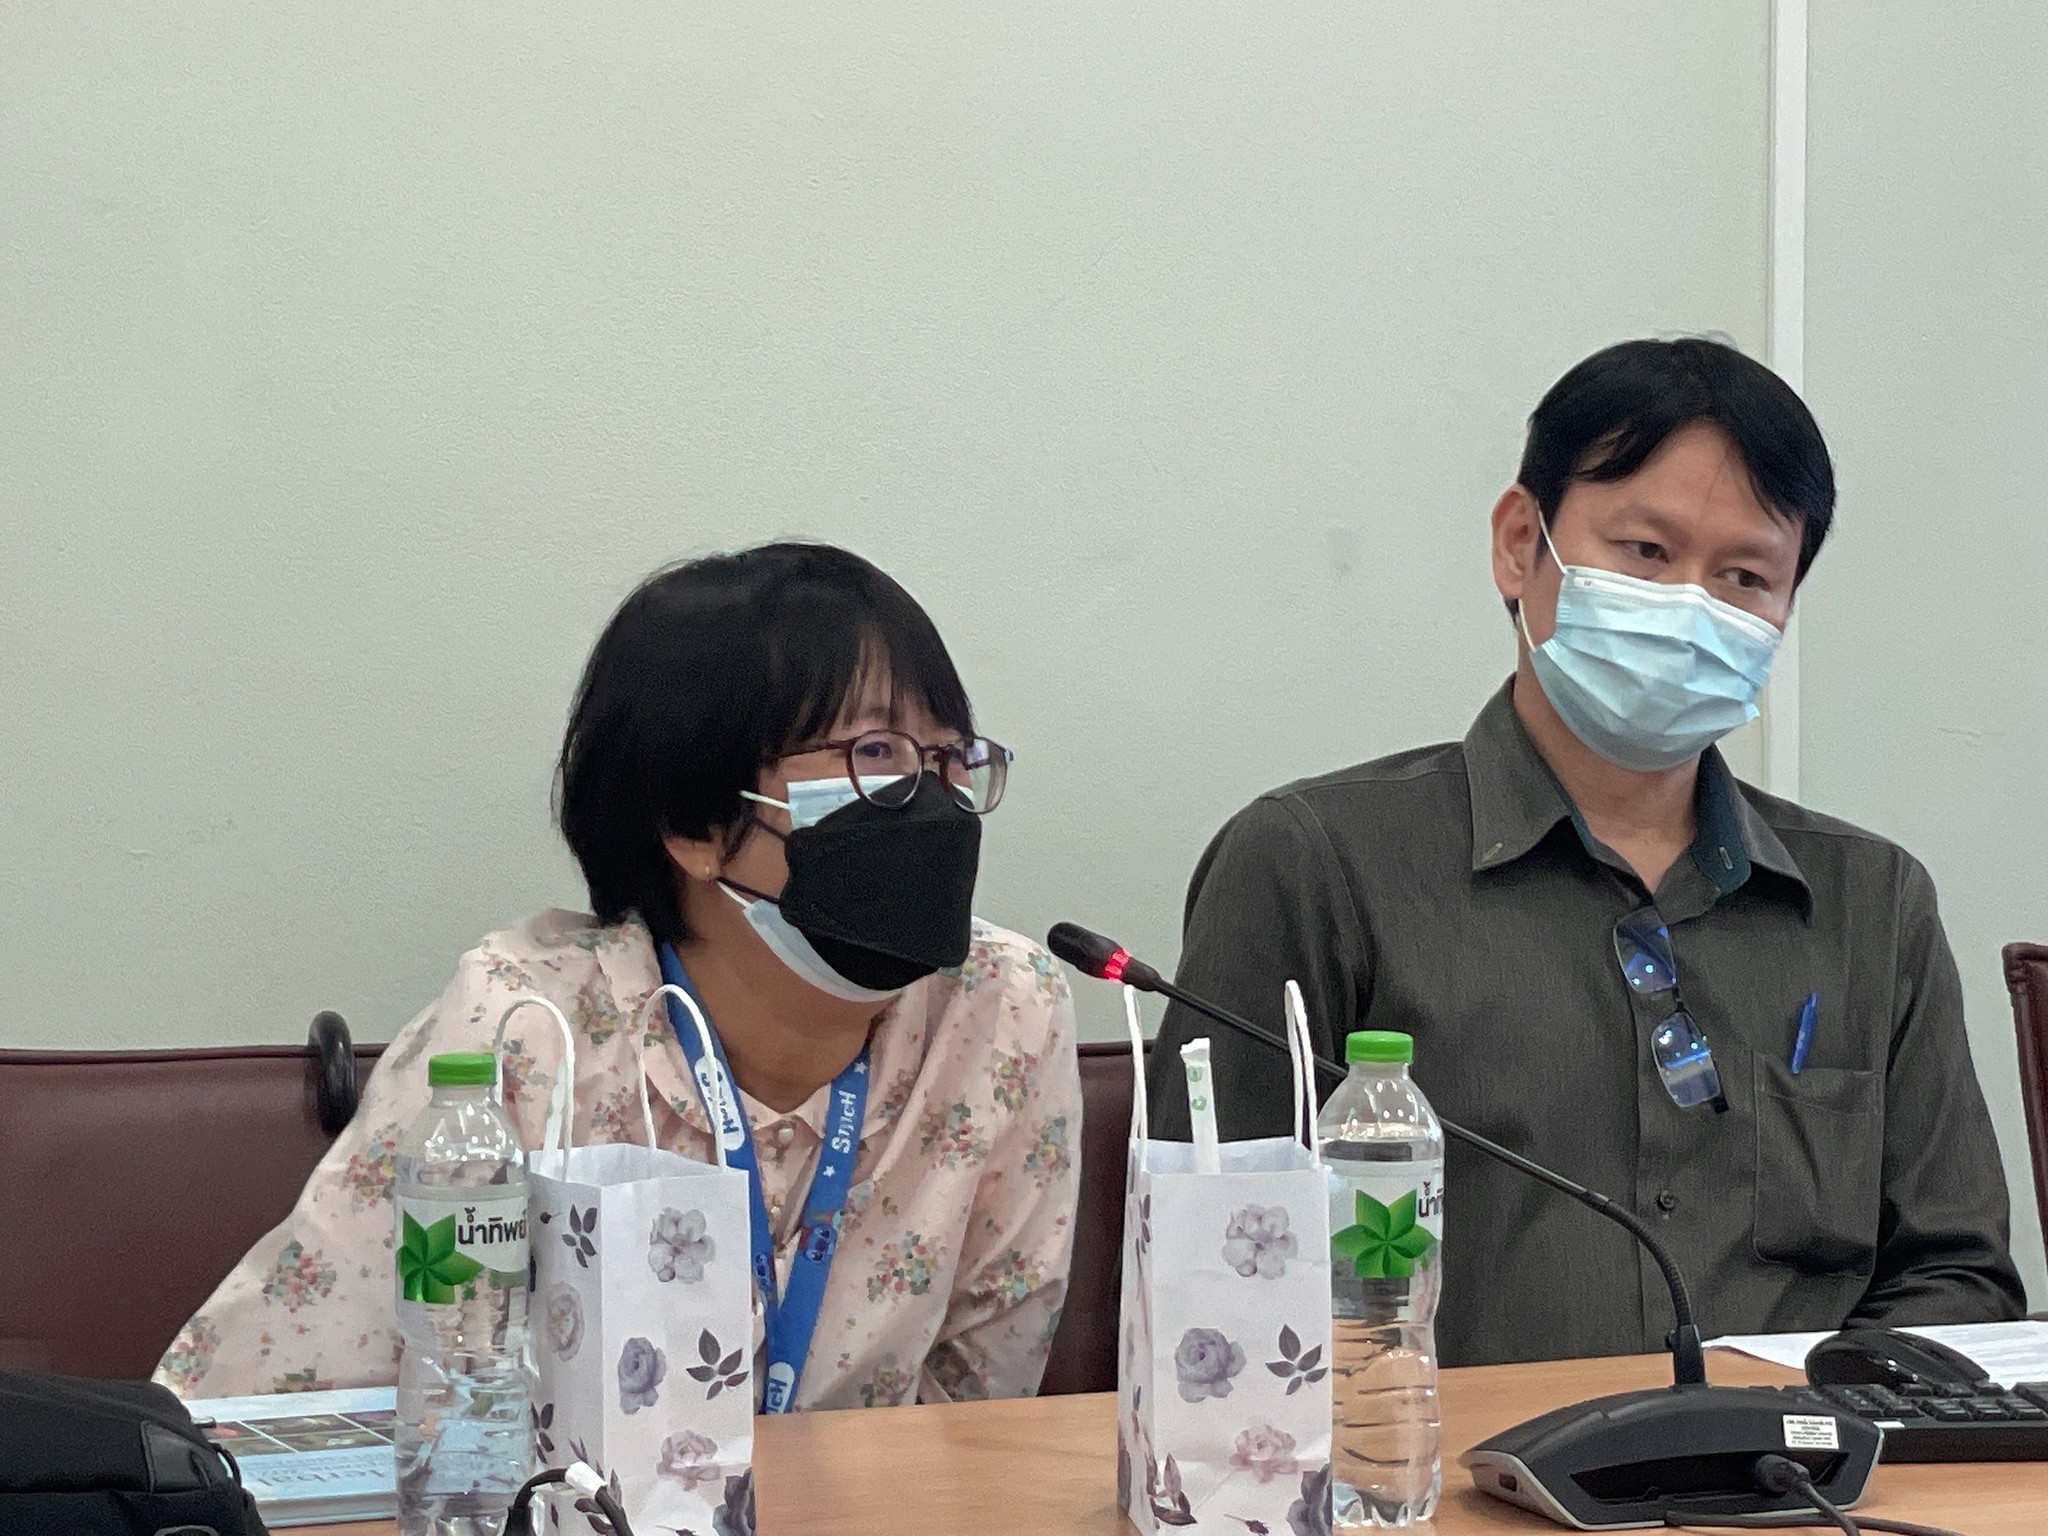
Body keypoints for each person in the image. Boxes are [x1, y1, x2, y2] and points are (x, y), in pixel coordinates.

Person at [1146, 338, 2025, 1367]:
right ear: (1520, 544)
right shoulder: (1315, 864)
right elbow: (1214, 1274)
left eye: (1744, 577)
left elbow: (1956, 1276)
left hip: (1794, 1459)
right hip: (1434, 1461)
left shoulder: (1871, 902)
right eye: (1646, 552)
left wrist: (1815, 1418)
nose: (1689, 608)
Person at [158, 543, 1080, 1409]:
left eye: (950, 757)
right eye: (874, 753)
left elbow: (979, 1413)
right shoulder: (525, 1028)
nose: (930, 799)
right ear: (694, 824)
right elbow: (266, 1408)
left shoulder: (1003, 1011)